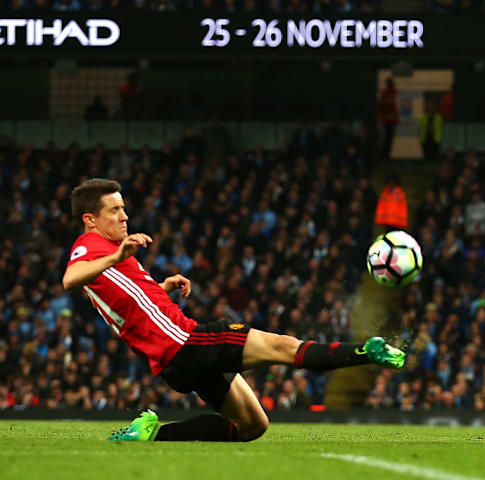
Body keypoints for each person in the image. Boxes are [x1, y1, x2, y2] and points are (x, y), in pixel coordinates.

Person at [63, 178, 406, 442]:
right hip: (185, 341)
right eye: (114, 210)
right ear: (90, 219)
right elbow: (70, 278)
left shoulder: (112, 252)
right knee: (282, 347)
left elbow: (127, 298)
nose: (124, 216)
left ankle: (152, 435)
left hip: (173, 360)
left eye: (123, 208)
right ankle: (366, 351)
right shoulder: (91, 246)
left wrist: (162, 286)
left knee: (252, 426)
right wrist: (116, 256)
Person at [378, 77, 399, 160]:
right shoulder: (385, 93)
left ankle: (387, 155)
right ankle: (384, 155)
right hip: (386, 119)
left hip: (391, 119)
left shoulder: (394, 92)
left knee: (389, 138)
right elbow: (384, 104)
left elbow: (389, 103)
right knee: (386, 138)